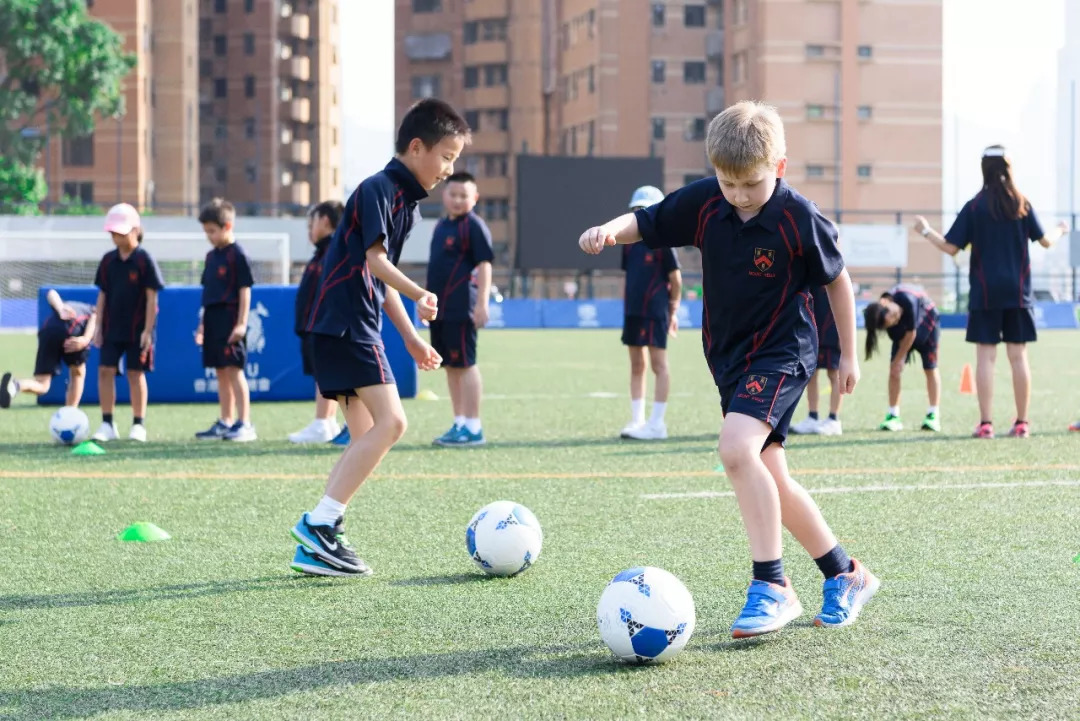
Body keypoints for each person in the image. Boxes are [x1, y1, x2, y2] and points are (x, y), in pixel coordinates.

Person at [578, 100, 878, 637]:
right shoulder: (704, 202)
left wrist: (849, 354)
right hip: (730, 358)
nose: (738, 196)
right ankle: (844, 573)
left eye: (752, 185)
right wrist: (607, 228)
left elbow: (838, 281)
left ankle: (772, 585)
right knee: (772, 477)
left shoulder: (798, 216)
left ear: (779, 167)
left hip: (785, 352)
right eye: (728, 183)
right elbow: (646, 221)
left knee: (735, 450)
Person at [289, 98, 468, 577]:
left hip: (343, 325)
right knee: (393, 425)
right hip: (348, 325)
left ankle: (321, 538)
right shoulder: (379, 189)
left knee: (366, 435)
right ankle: (319, 524)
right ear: (416, 147)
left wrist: (411, 338)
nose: (449, 170)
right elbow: (376, 265)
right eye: (447, 156)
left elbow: (381, 278)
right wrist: (419, 292)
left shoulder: (404, 205)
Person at [916, 145, 1069, 438]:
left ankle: (986, 424)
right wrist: (1060, 229)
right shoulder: (1021, 203)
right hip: (1017, 293)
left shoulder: (975, 206)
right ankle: (1022, 423)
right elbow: (1046, 242)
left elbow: (950, 247)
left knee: (985, 358)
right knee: (1018, 357)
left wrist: (924, 230)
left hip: (985, 294)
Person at [427, 171, 495, 447]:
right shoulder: (441, 226)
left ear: (474, 198)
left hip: (461, 308)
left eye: (463, 196)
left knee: (466, 364)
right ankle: (459, 423)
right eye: (453, 194)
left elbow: (485, 266)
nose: (457, 200)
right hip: (440, 310)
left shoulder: (474, 226)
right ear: (444, 196)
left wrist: (482, 303)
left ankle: (474, 427)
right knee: (450, 366)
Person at [91, 203, 165, 442]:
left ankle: (138, 424)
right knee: (105, 371)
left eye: (120, 232)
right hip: (112, 328)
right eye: (113, 232)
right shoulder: (107, 261)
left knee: (136, 374)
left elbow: (152, 297)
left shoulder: (144, 260)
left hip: (137, 329)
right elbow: (102, 294)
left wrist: (147, 330)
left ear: (135, 230)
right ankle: (107, 423)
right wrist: (98, 326)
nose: (116, 236)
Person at [618, 185, 682, 441]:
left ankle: (657, 424)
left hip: (655, 312)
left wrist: (673, 309)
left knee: (659, 365)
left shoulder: (663, 243)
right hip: (633, 311)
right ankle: (637, 420)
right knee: (636, 365)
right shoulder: (627, 245)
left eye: (645, 210)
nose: (639, 215)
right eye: (636, 210)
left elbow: (675, 279)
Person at [193, 199, 257, 442]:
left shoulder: (238, 254)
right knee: (220, 370)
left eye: (212, 231)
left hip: (231, 317)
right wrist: (202, 325)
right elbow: (207, 292)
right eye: (206, 231)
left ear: (227, 226)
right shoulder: (211, 257)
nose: (208, 236)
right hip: (213, 318)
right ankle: (226, 421)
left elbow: (245, 290)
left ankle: (245, 423)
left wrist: (241, 323)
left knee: (234, 370)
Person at [289, 200, 346, 444]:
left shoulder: (335, 251)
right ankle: (328, 421)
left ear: (324, 221)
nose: (309, 230)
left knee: (329, 375)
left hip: (326, 326)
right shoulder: (323, 252)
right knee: (323, 375)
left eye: (310, 223)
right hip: (315, 325)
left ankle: (323, 422)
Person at [862, 285, 941, 432]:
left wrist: (900, 358)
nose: (895, 319)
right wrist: (897, 363)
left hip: (928, 323)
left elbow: (911, 334)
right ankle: (893, 416)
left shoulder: (907, 300)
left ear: (886, 304)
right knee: (894, 372)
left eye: (893, 316)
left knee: (930, 368)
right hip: (908, 333)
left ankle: (933, 415)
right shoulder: (885, 315)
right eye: (890, 323)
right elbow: (902, 337)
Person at [1, 290, 96, 409]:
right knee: (77, 374)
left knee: (43, 385)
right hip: (72, 332)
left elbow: (51, 293)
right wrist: (86, 339)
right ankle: (70, 413)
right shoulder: (94, 311)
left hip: (48, 331)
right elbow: (95, 317)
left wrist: (60, 308)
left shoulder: (72, 305)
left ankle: (14, 386)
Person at [790, 286, 843, 436]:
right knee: (811, 374)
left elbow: (845, 306)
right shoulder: (812, 278)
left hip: (833, 333)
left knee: (834, 375)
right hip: (812, 332)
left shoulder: (835, 277)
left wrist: (843, 337)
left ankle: (834, 420)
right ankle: (812, 417)